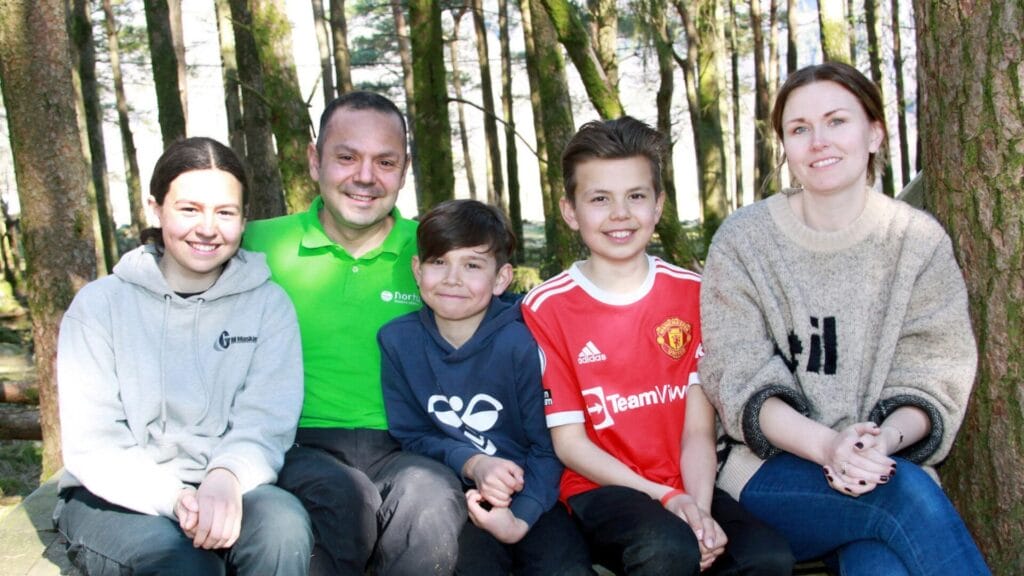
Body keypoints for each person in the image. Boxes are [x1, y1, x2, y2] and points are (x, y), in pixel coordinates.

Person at [699, 61, 990, 575]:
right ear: (785, 146)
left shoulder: (917, 243)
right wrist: (830, 447)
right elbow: (739, 379)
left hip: (883, 465)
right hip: (770, 477)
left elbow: (933, 372)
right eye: (799, 129)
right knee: (900, 495)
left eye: (836, 121)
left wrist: (880, 442)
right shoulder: (743, 242)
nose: (819, 142)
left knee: (882, 565)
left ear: (874, 133)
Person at [521, 117, 793, 576]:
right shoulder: (547, 307)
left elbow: (697, 432)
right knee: (666, 548)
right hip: (600, 490)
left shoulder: (693, 293)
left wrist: (698, 511)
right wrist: (667, 499)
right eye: (600, 199)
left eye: (636, 196)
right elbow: (570, 444)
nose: (620, 214)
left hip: (688, 481)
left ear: (659, 205)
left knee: (766, 558)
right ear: (570, 211)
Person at [54, 137, 311, 576]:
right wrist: (175, 498)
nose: (207, 228)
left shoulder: (268, 305)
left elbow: (266, 418)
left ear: (243, 219)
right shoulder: (100, 307)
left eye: (225, 212)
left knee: (282, 530)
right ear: (156, 209)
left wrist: (227, 476)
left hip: (229, 482)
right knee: (183, 564)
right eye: (189, 209)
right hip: (115, 494)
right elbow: (97, 441)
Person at [242, 91, 464, 576]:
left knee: (430, 501)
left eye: (385, 162)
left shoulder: (437, 253)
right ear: (314, 160)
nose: (365, 177)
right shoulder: (254, 245)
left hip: (407, 444)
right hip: (295, 443)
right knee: (345, 499)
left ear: (404, 171)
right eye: (346, 157)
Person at [379, 199, 595, 576]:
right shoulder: (398, 341)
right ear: (417, 269)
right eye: (438, 261)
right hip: (461, 494)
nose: (452, 279)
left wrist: (521, 518)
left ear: (501, 278)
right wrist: (474, 463)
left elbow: (550, 447)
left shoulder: (524, 343)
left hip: (537, 493)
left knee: (564, 568)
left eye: (472, 265)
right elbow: (412, 434)